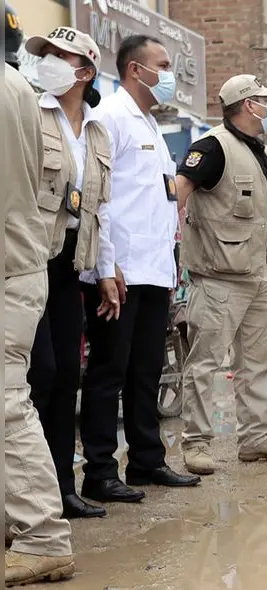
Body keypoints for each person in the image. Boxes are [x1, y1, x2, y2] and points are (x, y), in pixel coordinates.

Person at [79, 34, 200, 504]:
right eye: (163, 65)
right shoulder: (109, 117)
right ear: (135, 69)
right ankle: (100, 470)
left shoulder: (150, 122)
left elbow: (162, 203)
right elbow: (100, 198)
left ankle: (147, 460)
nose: (169, 75)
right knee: (109, 371)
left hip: (154, 271)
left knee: (146, 370)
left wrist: (170, 272)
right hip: (121, 272)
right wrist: (108, 266)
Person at [174, 74, 267, 475]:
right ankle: (196, 443)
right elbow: (179, 191)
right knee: (206, 364)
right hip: (217, 278)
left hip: (259, 274)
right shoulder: (213, 147)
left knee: (255, 363)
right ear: (248, 105)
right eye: (264, 101)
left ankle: (255, 438)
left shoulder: (262, 153)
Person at [22, 26, 112, 520]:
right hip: (28, 257)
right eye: (47, 54)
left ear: (85, 70)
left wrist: (105, 271)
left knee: (66, 377)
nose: (50, 61)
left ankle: (61, 488)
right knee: (41, 371)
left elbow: (102, 211)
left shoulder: (98, 131)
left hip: (72, 261)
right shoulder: (27, 116)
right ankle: (28, 492)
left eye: (62, 55)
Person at [4, 3, 76, 583]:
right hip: (22, 264)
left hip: (8, 270)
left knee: (6, 405)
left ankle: (41, 536)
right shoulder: (20, 91)